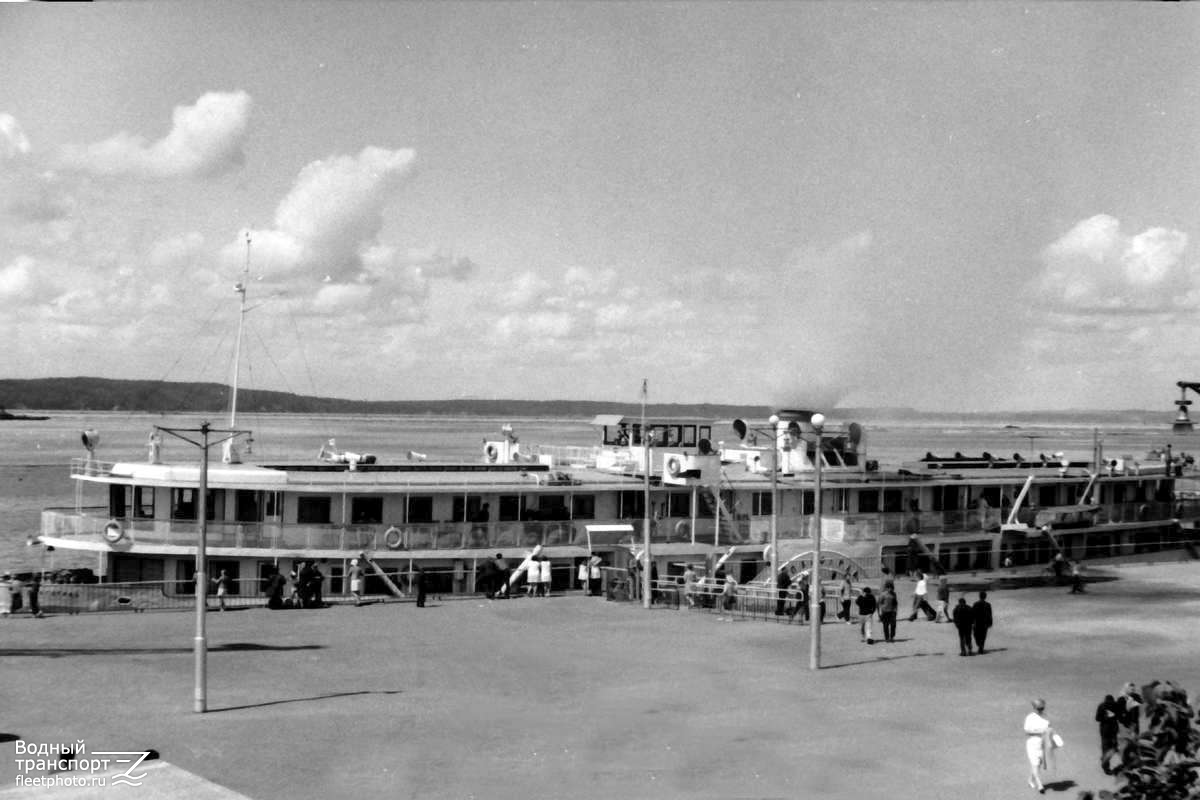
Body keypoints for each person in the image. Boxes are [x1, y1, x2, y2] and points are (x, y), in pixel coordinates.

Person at [1023, 698, 1058, 794]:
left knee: (1038, 765)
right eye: (1039, 708)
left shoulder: (1046, 717)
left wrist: (1054, 737)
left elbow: (1049, 729)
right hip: (1033, 743)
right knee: (1035, 763)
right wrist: (1040, 731)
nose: (1041, 710)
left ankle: (1030, 780)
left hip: (1044, 744)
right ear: (1034, 708)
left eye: (1042, 708)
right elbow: (1027, 731)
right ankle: (1040, 785)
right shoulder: (1030, 718)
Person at [1095, 694, 1120, 775]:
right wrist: (1108, 717)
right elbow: (1098, 718)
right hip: (1108, 731)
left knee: (1110, 748)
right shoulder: (1105, 706)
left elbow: (1097, 718)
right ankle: (1106, 766)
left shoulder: (1104, 706)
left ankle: (1104, 760)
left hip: (1108, 731)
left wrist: (1111, 716)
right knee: (1109, 748)